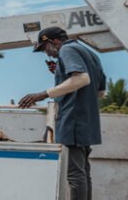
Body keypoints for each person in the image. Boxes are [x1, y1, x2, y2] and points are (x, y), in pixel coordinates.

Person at [19, 26, 106, 200]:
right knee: (83, 172)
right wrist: (61, 74)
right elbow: (100, 90)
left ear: (53, 42)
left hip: (73, 119)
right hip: (86, 120)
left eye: (45, 49)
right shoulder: (88, 52)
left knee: (73, 174)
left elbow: (82, 78)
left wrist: (43, 94)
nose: (47, 54)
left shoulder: (67, 50)